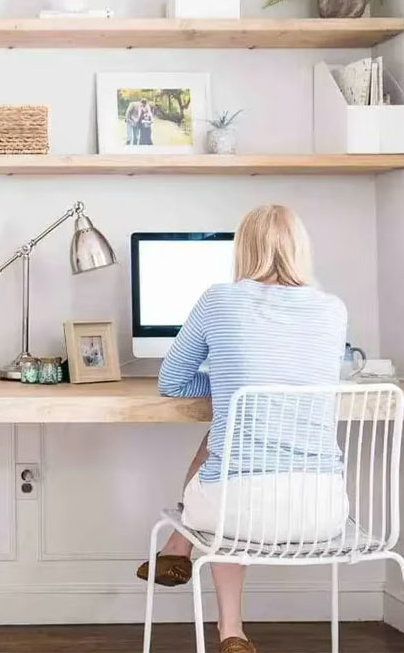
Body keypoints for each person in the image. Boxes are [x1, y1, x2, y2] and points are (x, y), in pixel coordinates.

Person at [136, 205, 349, 653]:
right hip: (325, 511)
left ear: (243, 248)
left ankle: (225, 620)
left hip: (236, 510)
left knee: (227, 461)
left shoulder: (219, 298)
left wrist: (231, 381)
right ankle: (183, 556)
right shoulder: (333, 309)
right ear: (300, 250)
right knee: (227, 446)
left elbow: (171, 381)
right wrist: (236, 383)